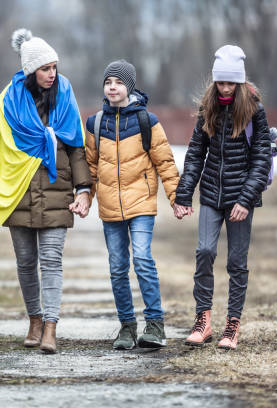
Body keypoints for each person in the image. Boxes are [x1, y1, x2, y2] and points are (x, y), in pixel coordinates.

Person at [0, 29, 92, 354]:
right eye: (45, 68)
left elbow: (76, 146)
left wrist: (83, 189)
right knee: (26, 262)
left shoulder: (65, 95)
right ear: (30, 71)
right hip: (19, 192)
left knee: (51, 261)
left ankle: (51, 328)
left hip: (57, 192)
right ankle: (35, 320)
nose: (52, 74)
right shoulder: (8, 102)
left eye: (54, 67)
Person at [174, 45, 272, 350]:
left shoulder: (254, 110)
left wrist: (245, 200)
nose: (225, 88)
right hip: (212, 197)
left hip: (241, 199)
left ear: (239, 83)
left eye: (230, 83)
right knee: (204, 252)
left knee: (236, 262)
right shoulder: (209, 109)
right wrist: (184, 194)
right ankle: (203, 321)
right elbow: (194, 154)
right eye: (220, 83)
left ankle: (232, 325)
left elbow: (261, 159)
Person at [85, 60, 181, 350]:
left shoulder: (146, 122)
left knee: (141, 258)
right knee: (117, 267)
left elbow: (165, 162)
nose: (112, 87)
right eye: (108, 82)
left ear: (130, 87)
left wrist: (177, 199)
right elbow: (89, 167)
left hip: (141, 204)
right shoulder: (95, 123)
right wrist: (83, 198)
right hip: (110, 207)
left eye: (118, 82)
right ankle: (126, 327)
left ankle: (155, 325)